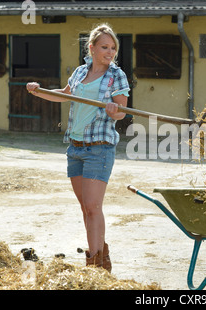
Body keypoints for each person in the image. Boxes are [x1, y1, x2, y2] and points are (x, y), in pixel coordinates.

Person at [26, 23, 130, 272]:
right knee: (86, 209)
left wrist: (115, 111)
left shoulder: (117, 75)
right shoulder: (80, 72)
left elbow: (121, 112)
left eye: (113, 48)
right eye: (105, 47)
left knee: (94, 208)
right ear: (92, 48)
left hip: (99, 148)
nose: (110, 52)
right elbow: (64, 95)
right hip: (75, 148)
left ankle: (95, 266)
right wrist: (39, 92)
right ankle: (100, 259)